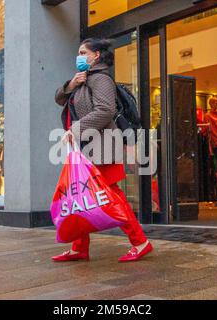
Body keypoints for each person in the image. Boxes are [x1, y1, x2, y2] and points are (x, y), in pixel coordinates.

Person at [52, 38, 153, 263]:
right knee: (82, 194)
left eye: (82, 52)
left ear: (96, 55)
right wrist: (72, 85)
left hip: (103, 147)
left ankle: (140, 242)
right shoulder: (84, 79)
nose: (78, 56)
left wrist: (75, 129)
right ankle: (80, 247)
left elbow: (105, 110)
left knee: (112, 196)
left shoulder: (101, 79)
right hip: (90, 147)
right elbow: (60, 99)